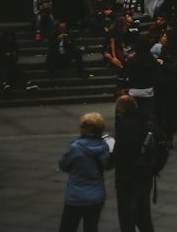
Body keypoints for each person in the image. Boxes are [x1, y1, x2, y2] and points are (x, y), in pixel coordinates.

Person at [58, 112, 111, 232]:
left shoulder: (76, 147)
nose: (79, 128)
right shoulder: (104, 146)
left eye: (82, 126)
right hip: (97, 195)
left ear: (88, 130)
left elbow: (63, 165)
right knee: (91, 227)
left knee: (68, 227)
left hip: (76, 196)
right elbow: (106, 164)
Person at [112, 95, 156, 232]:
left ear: (122, 111)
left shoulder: (125, 126)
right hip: (146, 175)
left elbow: (119, 154)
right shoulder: (148, 121)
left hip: (127, 178)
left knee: (127, 217)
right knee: (143, 215)